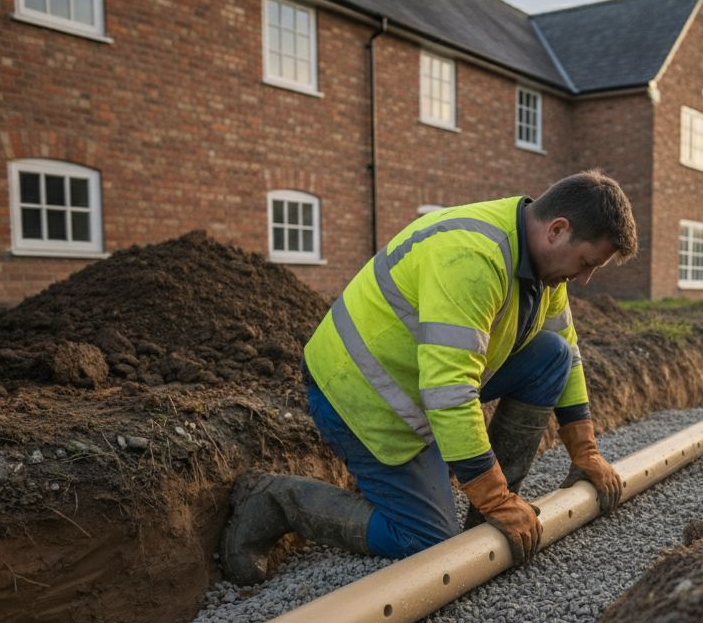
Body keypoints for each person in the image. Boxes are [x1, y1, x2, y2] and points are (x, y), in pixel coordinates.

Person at [221, 170, 638, 584]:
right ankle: (276, 500)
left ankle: (486, 522)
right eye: (586, 262)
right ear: (557, 229)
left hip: (421, 379)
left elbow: (568, 355)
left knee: (553, 356)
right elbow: (450, 392)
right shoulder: (474, 257)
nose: (584, 279)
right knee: (429, 540)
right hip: (362, 393)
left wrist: (586, 454)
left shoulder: (545, 268)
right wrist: (493, 496)